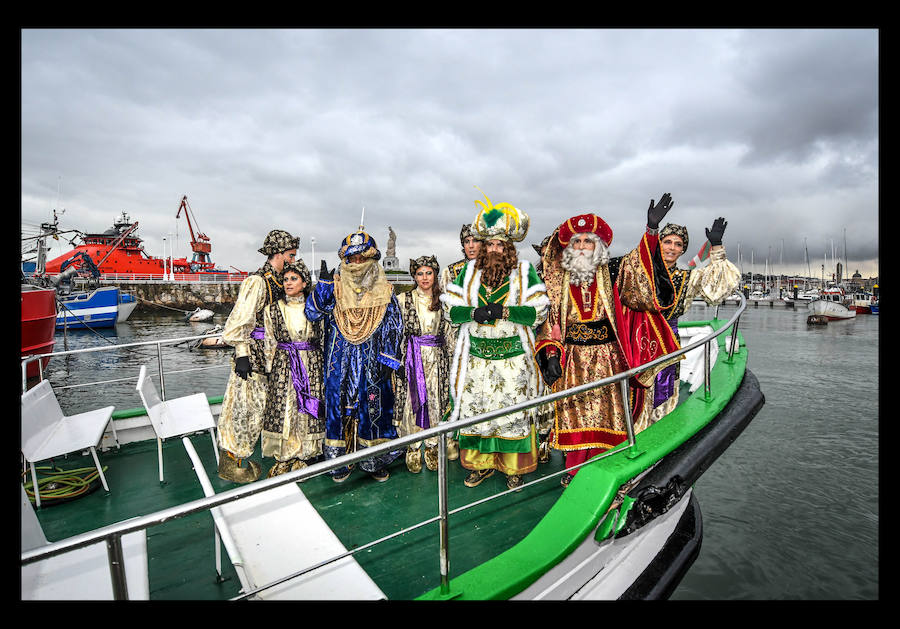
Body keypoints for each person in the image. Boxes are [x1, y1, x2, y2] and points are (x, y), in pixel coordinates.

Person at [534, 195, 682, 487]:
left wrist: (651, 231)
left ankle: (608, 470)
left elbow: (640, 273)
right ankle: (575, 472)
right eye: (575, 242)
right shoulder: (555, 280)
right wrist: (551, 353)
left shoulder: (614, 271)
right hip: (573, 359)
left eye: (588, 241)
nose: (581, 247)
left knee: (609, 415)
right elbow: (549, 321)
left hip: (608, 357)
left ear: (598, 246)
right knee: (576, 415)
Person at [441, 192, 550, 490]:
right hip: (477, 360)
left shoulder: (524, 272)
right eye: (488, 243)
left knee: (510, 415)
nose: (493, 249)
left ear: (509, 247)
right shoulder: (469, 272)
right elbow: (450, 307)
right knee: (478, 412)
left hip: (512, 360)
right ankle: (481, 465)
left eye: (499, 244)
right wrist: (473, 311)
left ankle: (513, 466)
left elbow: (539, 310)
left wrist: (505, 310)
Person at [306, 229, 404, 483]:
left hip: (372, 359)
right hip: (339, 359)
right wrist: (324, 286)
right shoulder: (335, 287)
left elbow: (394, 325)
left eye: (362, 258)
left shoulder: (385, 289)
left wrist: (388, 358)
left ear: (372, 259)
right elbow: (313, 313)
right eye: (352, 259)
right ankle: (340, 462)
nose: (357, 264)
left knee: (372, 406)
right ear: (345, 261)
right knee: (339, 407)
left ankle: (373, 460)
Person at [641, 219, 740, 426]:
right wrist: (651, 229)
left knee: (663, 389)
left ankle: (658, 431)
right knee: (635, 390)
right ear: (659, 243)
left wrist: (717, 246)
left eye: (678, 244)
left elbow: (718, 288)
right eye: (667, 242)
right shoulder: (640, 272)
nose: (672, 248)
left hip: (668, 342)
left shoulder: (689, 278)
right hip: (637, 338)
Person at [217, 229, 299, 483]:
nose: (294, 261)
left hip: (273, 357)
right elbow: (239, 322)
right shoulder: (257, 282)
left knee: (264, 409)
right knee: (245, 410)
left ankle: (254, 456)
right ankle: (231, 463)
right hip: (253, 358)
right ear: (278, 254)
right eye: (291, 255)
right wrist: (242, 354)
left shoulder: (279, 281)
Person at [260, 259, 326, 477]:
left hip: (311, 363)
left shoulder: (315, 309)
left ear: (304, 282)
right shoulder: (272, 310)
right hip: (284, 364)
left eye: (293, 279)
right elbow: (269, 341)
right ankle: (284, 455)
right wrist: (270, 370)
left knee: (307, 408)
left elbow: (324, 339)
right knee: (286, 408)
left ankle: (305, 454)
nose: (288, 283)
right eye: (285, 279)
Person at [393, 255, 453, 473]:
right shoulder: (402, 299)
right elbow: (396, 332)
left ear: (435, 275)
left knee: (435, 398)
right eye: (420, 273)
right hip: (412, 356)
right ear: (414, 276)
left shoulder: (444, 301)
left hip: (437, 358)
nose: (424, 277)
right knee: (413, 399)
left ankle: (433, 445)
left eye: (429, 273)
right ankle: (413, 445)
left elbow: (449, 332)